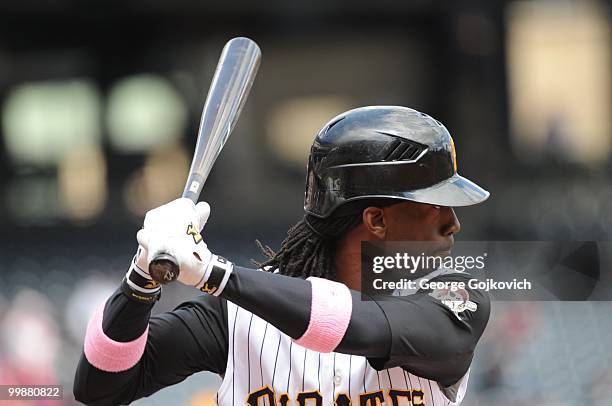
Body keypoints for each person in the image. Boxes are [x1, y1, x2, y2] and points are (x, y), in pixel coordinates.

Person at [73, 106, 491, 406]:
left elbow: (361, 327)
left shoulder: (459, 297)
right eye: (434, 207)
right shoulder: (234, 316)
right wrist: (141, 277)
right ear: (376, 220)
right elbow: (101, 388)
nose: (453, 223)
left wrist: (213, 274)